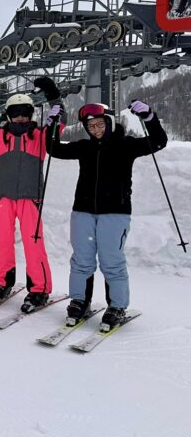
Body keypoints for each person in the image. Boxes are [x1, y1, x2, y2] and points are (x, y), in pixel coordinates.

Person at [46, 99, 167, 331]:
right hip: (82, 211)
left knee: (112, 261)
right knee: (81, 260)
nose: (96, 130)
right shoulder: (85, 147)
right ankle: (79, 301)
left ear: (109, 122)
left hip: (115, 212)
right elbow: (54, 149)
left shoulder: (126, 145)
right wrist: (51, 126)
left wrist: (150, 118)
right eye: (91, 127)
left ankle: (117, 306)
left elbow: (159, 141)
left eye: (100, 125)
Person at [0, 74, 64, 312]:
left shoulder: (40, 137)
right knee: (2, 242)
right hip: (2, 197)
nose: (21, 117)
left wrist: (53, 95)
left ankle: (39, 289)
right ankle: (1, 283)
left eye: (25, 112)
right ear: (8, 115)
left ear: (31, 114)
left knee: (33, 244)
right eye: (16, 112)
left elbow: (59, 121)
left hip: (30, 199)